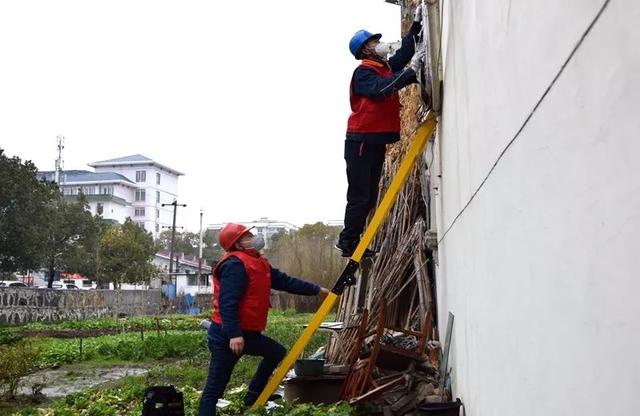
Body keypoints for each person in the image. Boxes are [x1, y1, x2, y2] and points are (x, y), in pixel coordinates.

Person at [198, 223, 329, 415]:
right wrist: (234, 334)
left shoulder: (259, 262)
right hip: (227, 337)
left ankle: (253, 395)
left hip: (248, 335)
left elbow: (285, 281)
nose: (253, 237)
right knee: (215, 388)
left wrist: (316, 290)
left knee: (276, 352)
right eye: (247, 236)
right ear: (237, 244)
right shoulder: (234, 265)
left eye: (250, 233)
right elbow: (227, 303)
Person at [336, 5, 426, 258]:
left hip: (374, 140)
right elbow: (382, 89)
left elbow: (404, 54)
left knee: (370, 194)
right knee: (360, 195)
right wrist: (411, 72)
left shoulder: (382, 67)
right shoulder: (364, 72)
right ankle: (348, 242)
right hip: (360, 141)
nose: (381, 43)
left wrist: (416, 26)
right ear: (365, 49)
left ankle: (354, 240)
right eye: (375, 41)